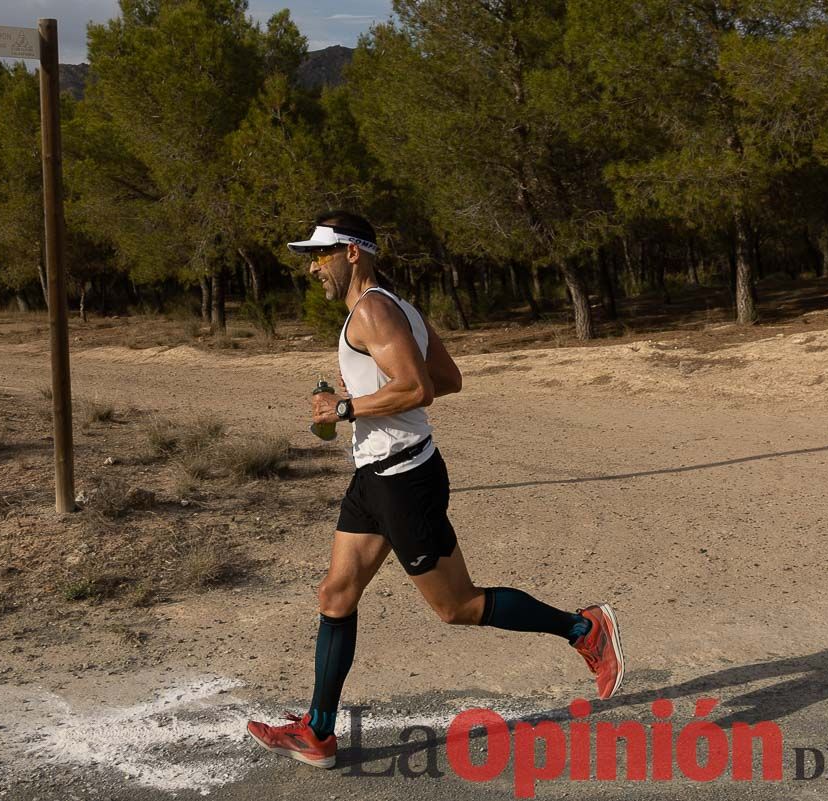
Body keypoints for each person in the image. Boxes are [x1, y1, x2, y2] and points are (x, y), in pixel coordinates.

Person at [245, 211, 625, 768]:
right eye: (309, 257)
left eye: (319, 255)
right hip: (375, 475)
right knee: (336, 594)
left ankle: (582, 627)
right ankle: (319, 733)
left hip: (405, 479)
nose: (311, 268)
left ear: (353, 252)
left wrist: (347, 407)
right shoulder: (396, 308)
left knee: (457, 606)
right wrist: (371, 401)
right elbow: (448, 379)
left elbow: (419, 387)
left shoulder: (374, 310)